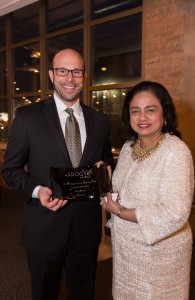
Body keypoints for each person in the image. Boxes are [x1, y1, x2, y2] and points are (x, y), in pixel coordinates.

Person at [1, 48, 114, 300]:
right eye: (63, 71)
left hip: (86, 228)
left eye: (76, 71)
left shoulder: (99, 121)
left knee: (83, 293)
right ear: (52, 75)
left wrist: (106, 173)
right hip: (44, 227)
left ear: (84, 76)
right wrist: (36, 190)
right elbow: (10, 169)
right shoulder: (28, 117)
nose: (69, 78)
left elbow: (105, 162)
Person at [100, 81, 194, 300]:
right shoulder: (128, 147)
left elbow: (174, 213)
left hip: (158, 257)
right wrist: (107, 183)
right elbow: (127, 189)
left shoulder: (175, 152)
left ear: (165, 114)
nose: (142, 118)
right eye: (136, 111)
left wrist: (121, 211)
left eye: (150, 110)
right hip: (126, 253)